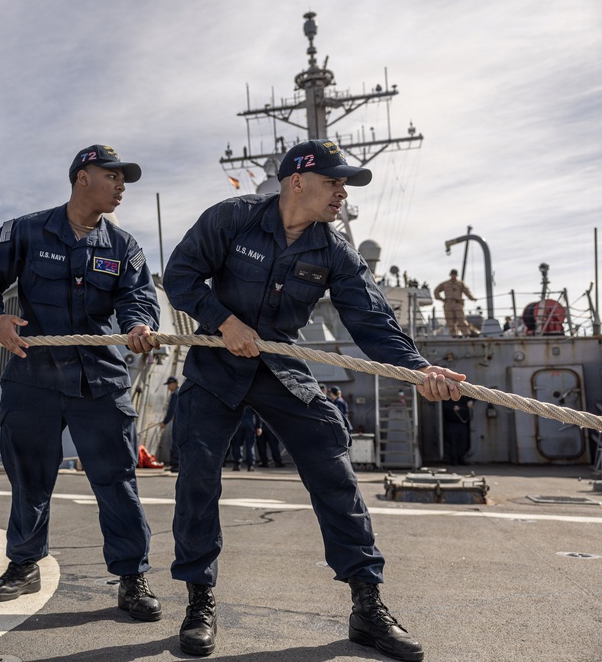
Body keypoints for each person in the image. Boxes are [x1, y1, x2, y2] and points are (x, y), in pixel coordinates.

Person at [162, 139, 466, 661]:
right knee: (198, 476)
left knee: (333, 468)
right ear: (297, 181)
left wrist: (417, 369)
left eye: (344, 186)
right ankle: (199, 600)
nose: (341, 194)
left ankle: (367, 606)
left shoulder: (334, 251)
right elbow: (181, 276)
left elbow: (372, 320)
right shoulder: (230, 219)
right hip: (215, 367)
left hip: (280, 367)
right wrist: (225, 321)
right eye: (334, 182)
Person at [0, 144, 163, 622]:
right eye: (112, 176)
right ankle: (24, 563)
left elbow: (138, 295)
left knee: (116, 481)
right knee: (29, 479)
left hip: (100, 376)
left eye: (123, 179)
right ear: (81, 177)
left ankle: (132, 577)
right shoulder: (25, 231)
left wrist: (138, 325)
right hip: (33, 376)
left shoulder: (124, 246)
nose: (120, 186)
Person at [433, 269, 477, 337]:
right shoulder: (445, 284)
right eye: (452, 274)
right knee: (450, 320)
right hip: (448, 303)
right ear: (450, 275)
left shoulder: (460, 283)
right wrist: (441, 299)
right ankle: (454, 334)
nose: (453, 276)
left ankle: (466, 333)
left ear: (456, 275)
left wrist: (472, 298)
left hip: (458, 303)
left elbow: (467, 291)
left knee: (461, 319)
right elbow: (436, 291)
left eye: (455, 274)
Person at [442, 394, 474, 466]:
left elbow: (473, 396)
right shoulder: (447, 396)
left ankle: (461, 459)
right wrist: (452, 407)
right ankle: (453, 460)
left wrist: (471, 401)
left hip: (462, 423)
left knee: (463, 442)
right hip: (452, 423)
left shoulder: (464, 396)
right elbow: (443, 405)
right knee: (453, 442)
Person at [160, 376, 180, 472]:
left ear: (174, 384)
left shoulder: (175, 394)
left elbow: (172, 410)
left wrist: (165, 422)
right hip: (181, 421)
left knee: (176, 443)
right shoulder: (179, 392)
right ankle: (175, 464)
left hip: (179, 422)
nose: (168, 387)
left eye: (169, 384)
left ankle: (176, 464)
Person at [229, 407, 257, 471]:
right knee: (250, 445)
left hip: (239, 424)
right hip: (249, 424)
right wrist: (258, 426)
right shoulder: (251, 401)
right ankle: (250, 464)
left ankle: (237, 463)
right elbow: (257, 413)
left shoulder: (237, 401)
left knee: (237, 444)